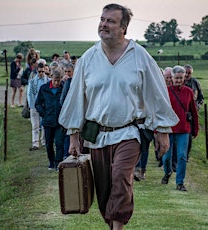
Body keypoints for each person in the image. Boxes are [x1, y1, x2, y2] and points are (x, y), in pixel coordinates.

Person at [58, 4, 178, 229]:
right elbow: (76, 99)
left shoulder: (138, 56)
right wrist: (74, 136)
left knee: (121, 179)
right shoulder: (88, 58)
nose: (103, 24)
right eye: (102, 20)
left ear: (123, 27)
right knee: (104, 191)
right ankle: (112, 223)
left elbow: (156, 92)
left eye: (110, 21)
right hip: (97, 136)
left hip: (128, 132)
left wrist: (162, 130)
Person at [161, 65, 199, 192]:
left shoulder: (188, 92)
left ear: (184, 78)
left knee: (182, 156)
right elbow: (161, 111)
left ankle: (180, 182)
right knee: (166, 156)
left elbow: (193, 112)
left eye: (181, 78)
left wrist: (195, 129)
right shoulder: (165, 91)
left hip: (184, 129)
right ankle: (167, 172)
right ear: (171, 77)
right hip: (168, 129)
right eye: (176, 78)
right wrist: (157, 130)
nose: (178, 80)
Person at [35, 69, 65, 171]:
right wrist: (44, 114)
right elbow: (38, 103)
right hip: (48, 121)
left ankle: (58, 163)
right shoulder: (44, 89)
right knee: (48, 143)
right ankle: (51, 162)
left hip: (60, 121)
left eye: (58, 80)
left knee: (59, 143)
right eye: (55, 80)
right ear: (51, 77)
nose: (56, 83)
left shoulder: (64, 88)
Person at [183, 64, 204, 161]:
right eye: (185, 72)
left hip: (191, 113)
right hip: (181, 112)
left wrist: (197, 107)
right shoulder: (179, 81)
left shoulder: (195, 83)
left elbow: (201, 98)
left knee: (189, 135)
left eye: (189, 73)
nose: (187, 75)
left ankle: (186, 155)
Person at [27, 63, 49, 151]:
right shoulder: (32, 82)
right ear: (37, 71)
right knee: (35, 125)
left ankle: (44, 141)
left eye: (43, 71)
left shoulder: (48, 81)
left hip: (44, 106)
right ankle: (35, 143)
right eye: (39, 71)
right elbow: (30, 94)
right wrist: (32, 106)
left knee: (44, 125)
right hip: (35, 106)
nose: (41, 73)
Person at [59, 62, 75, 159]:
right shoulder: (65, 82)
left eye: (69, 71)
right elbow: (62, 99)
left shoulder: (71, 82)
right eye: (65, 71)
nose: (67, 73)